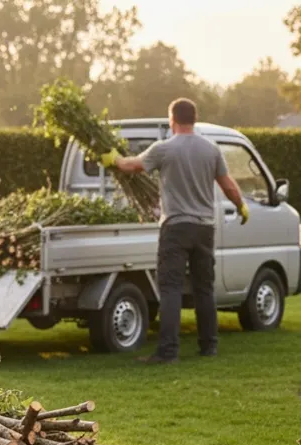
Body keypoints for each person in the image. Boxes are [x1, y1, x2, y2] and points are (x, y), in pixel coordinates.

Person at [100, 98, 249, 364]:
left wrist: (114, 159)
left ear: (172, 119)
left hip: (176, 228)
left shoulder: (165, 149)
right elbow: (228, 185)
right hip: (205, 229)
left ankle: (168, 352)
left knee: (170, 288)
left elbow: (132, 166)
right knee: (204, 289)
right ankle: (209, 346)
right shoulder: (211, 149)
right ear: (194, 117)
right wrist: (241, 206)